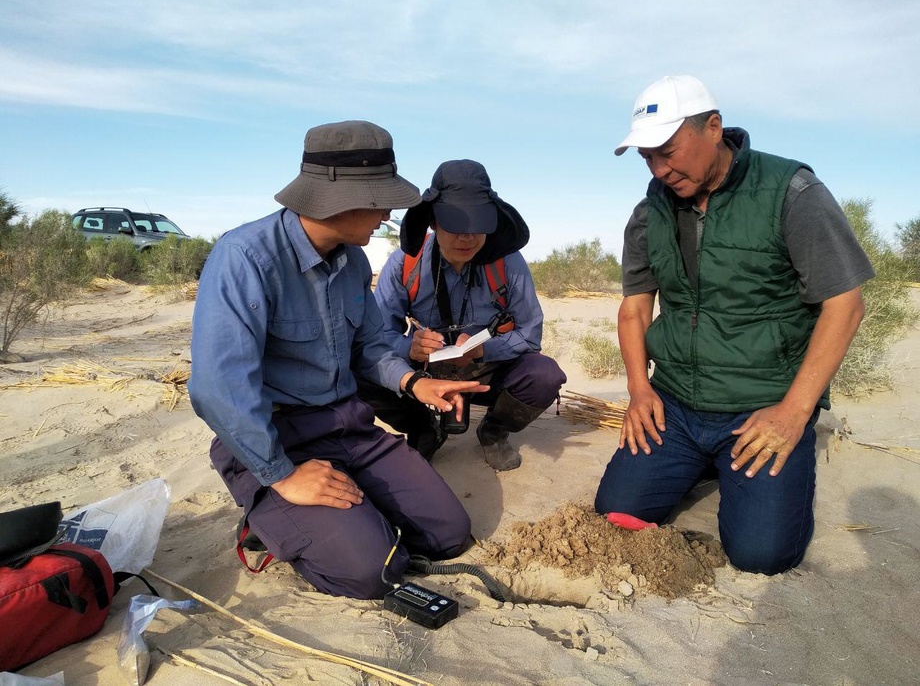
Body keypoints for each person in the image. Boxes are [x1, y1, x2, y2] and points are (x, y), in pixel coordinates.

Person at [188, 121, 489, 600]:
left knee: (448, 535)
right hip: (278, 441)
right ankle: (272, 518)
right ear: (340, 199)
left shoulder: (352, 262)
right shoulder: (245, 257)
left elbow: (370, 348)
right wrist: (283, 476)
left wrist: (415, 383)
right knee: (373, 573)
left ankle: (344, 519)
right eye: (380, 199)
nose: (388, 211)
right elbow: (216, 388)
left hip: (349, 428)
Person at [594, 75, 874, 574]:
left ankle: (745, 462)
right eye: (647, 159)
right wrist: (639, 390)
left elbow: (845, 304)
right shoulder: (648, 213)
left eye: (668, 151)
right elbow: (635, 308)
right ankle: (700, 460)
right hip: (675, 404)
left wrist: (793, 412)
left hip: (762, 405)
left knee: (760, 555)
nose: (660, 169)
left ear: (713, 127)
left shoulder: (791, 192)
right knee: (616, 515)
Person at [359, 159, 567, 471]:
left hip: (486, 371)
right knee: (360, 371)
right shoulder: (405, 264)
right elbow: (376, 336)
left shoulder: (508, 263)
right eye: (455, 224)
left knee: (544, 375)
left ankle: (494, 431)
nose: (466, 237)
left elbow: (530, 333)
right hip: (424, 372)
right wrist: (409, 348)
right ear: (432, 221)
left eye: (477, 224)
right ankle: (423, 428)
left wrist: (484, 350)